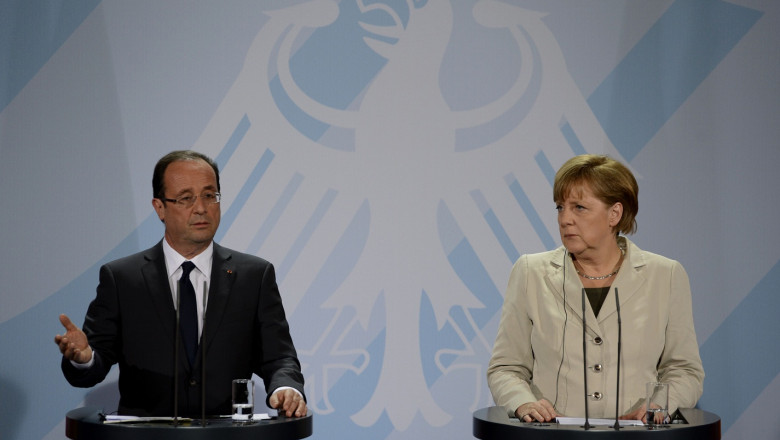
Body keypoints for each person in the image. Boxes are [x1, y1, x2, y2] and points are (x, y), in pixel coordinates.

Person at [54, 150, 307, 418]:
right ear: (159, 207)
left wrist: (286, 388)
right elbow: (95, 363)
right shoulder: (122, 279)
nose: (201, 208)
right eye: (186, 198)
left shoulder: (254, 276)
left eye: (210, 196)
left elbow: (279, 357)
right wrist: (84, 358)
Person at [487, 154, 704, 423]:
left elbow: (684, 370)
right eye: (559, 207)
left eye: (578, 207)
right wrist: (524, 402)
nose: (565, 219)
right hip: (552, 437)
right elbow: (506, 368)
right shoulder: (531, 273)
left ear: (615, 213)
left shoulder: (666, 276)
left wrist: (659, 405)